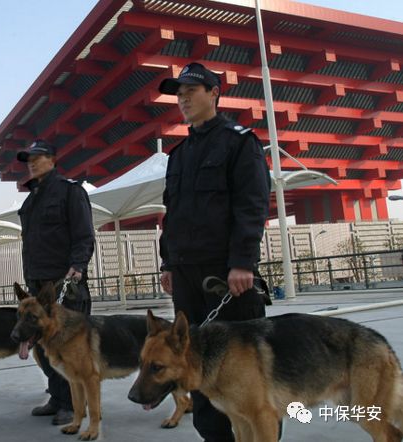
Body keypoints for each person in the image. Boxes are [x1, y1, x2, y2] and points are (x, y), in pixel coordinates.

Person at [157, 62, 271, 441]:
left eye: (192, 90)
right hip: (186, 278)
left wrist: (243, 262)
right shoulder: (179, 154)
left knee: (242, 368)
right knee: (196, 366)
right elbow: (172, 215)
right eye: (179, 93)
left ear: (214, 93)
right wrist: (168, 262)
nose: (183, 98)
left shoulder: (240, 142)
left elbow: (251, 205)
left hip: (226, 276)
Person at [16, 140, 95, 426]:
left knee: (70, 349)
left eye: (38, 158)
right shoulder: (31, 199)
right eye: (29, 159)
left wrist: (78, 266)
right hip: (38, 284)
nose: (32, 163)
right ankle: (59, 398)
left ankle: (75, 406)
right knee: (43, 347)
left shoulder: (69, 192)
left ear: (52, 159)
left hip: (65, 283)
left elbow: (84, 234)